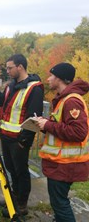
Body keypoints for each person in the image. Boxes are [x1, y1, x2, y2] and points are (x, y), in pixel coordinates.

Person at [0, 54, 44, 217]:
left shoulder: (34, 88)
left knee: (21, 171)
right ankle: (13, 197)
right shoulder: (10, 85)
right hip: (5, 136)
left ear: (20, 67)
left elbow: (34, 117)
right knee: (11, 169)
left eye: (10, 68)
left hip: (19, 140)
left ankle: (21, 205)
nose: (7, 71)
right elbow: (0, 103)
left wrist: (24, 141)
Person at [35, 62, 89, 222]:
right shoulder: (64, 99)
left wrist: (48, 125)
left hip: (66, 164)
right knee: (58, 201)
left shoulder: (72, 101)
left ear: (58, 78)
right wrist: (44, 124)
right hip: (61, 164)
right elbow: (61, 126)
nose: (48, 79)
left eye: (51, 75)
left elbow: (79, 132)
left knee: (60, 203)